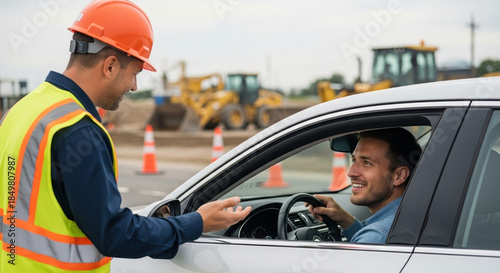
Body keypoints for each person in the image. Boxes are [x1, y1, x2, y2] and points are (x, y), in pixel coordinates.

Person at [0, 1, 251, 272]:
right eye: (135, 73)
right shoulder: (78, 130)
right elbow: (115, 234)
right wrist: (196, 223)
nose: (133, 86)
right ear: (109, 66)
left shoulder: (21, 111)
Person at [307, 128, 422, 244]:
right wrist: (345, 220)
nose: (351, 173)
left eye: (367, 163)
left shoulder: (376, 236)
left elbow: (375, 237)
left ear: (399, 176)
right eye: (354, 160)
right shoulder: (413, 213)